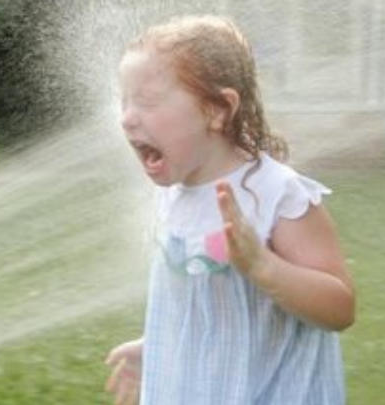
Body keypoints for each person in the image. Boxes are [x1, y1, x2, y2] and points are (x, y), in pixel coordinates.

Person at [105, 15, 355, 405]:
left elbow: (340, 308)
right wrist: (159, 347)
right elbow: (204, 306)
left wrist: (264, 268)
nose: (126, 117)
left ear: (217, 110)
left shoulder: (276, 194)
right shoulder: (172, 195)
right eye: (124, 101)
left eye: (147, 101)